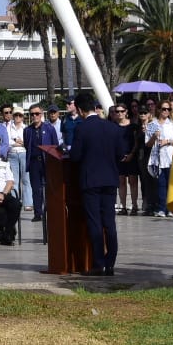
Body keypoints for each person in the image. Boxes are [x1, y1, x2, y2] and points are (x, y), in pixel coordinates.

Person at [68, 93, 126, 275]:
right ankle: (111, 263)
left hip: (90, 181)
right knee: (109, 222)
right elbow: (120, 154)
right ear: (94, 107)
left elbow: (75, 156)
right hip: (110, 180)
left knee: (95, 223)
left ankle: (98, 263)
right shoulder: (113, 128)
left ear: (78, 109)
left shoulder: (81, 129)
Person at [26, 105, 59, 222]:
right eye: (32, 114)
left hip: (47, 161)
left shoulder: (49, 128)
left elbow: (55, 145)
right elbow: (27, 145)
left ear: (41, 114)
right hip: (34, 162)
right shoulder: (28, 130)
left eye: (37, 113)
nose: (34, 116)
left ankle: (50, 210)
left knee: (49, 188)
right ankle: (37, 213)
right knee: (36, 189)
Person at [150, 100, 173, 218]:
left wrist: (168, 141)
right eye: (164, 109)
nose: (166, 111)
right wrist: (153, 137)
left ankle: (171, 209)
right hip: (158, 159)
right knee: (161, 185)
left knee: (171, 184)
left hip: (171, 157)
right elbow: (148, 144)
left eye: (168, 109)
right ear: (159, 109)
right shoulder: (152, 124)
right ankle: (162, 208)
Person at [115, 105, 141, 215]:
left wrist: (131, 154)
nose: (119, 113)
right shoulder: (113, 126)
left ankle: (134, 205)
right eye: (117, 111)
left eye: (122, 111)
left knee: (133, 181)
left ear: (126, 112)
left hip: (132, 156)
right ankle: (123, 207)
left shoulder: (133, 126)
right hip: (119, 158)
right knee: (121, 182)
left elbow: (136, 142)